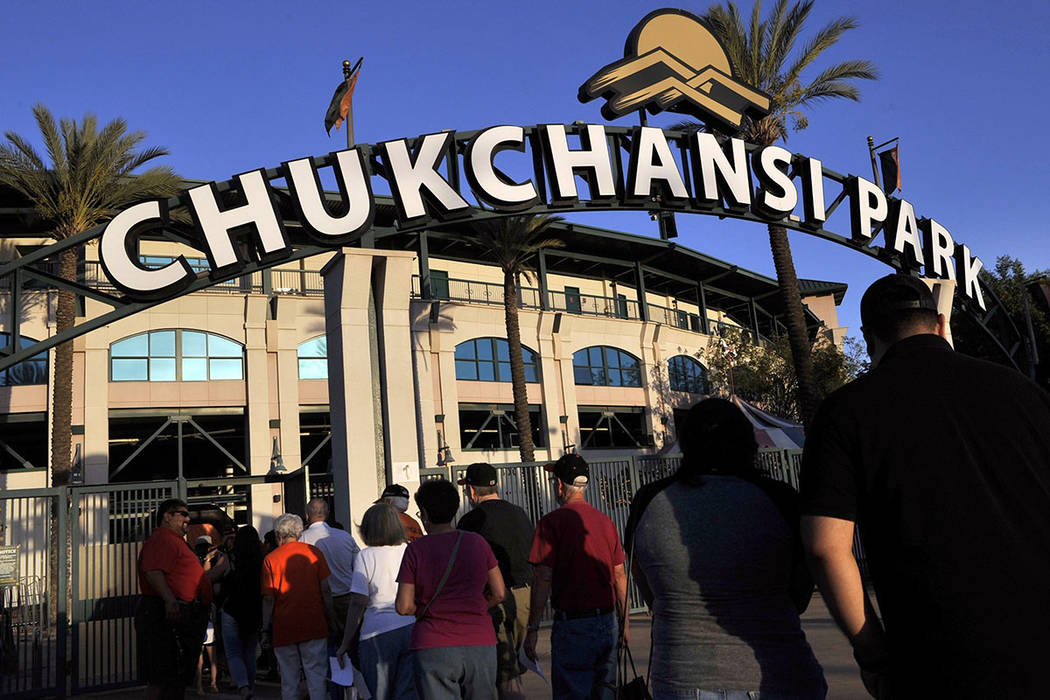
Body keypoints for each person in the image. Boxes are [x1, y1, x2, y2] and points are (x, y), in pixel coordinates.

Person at [801, 273, 1050, 698]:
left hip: (938, 659)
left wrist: (873, 654)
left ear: (869, 334)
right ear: (938, 323)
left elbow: (826, 546)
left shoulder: (844, 411)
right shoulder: (1025, 393)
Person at [625, 398, 826, 699]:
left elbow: (650, 591)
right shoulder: (781, 499)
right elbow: (798, 596)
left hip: (681, 677)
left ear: (686, 444)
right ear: (748, 443)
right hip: (778, 674)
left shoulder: (648, 501)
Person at [523, 454, 628, 700]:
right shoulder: (605, 522)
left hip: (573, 625)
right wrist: (625, 623)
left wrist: (533, 627)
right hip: (608, 620)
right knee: (606, 692)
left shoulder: (551, 523)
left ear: (560, 485)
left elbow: (543, 578)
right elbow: (620, 574)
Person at [395, 479, 505, 700]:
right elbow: (500, 592)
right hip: (480, 642)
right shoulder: (478, 543)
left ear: (425, 513)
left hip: (433, 644)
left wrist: (427, 609)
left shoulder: (415, 551)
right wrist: (475, 606)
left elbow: (404, 606)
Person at [456, 463, 534, 700]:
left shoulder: (471, 520)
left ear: (471, 491)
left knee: (505, 673)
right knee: (515, 667)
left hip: (494, 598)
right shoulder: (520, 512)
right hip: (526, 596)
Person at [136, 499, 225, 700]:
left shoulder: (175, 541)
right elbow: (153, 571)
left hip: (179, 614)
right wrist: (169, 600)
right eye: (182, 514)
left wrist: (217, 571)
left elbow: (188, 578)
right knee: (163, 676)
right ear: (167, 516)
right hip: (165, 615)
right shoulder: (163, 539)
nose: (188, 518)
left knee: (174, 676)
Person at [336, 503, 417, 700]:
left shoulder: (366, 556)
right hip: (410, 627)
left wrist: (345, 642)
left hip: (376, 633)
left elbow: (358, 602)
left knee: (379, 693)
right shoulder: (410, 550)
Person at [261, 513, 337, 700]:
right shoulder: (314, 553)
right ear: (300, 532)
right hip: (313, 622)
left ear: (279, 534)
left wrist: (264, 628)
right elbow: (326, 590)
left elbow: (268, 600)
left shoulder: (270, 560)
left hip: (284, 625)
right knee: (317, 677)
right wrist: (331, 617)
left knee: (289, 680)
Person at [299, 498, 361, 641]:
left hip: (318, 600)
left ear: (307, 516)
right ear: (327, 514)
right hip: (347, 597)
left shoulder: (302, 539)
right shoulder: (345, 536)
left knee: (323, 646)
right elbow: (358, 565)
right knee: (351, 643)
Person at [219, 525, 264, 700]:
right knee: (250, 651)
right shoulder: (262, 561)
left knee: (233, 652)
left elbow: (212, 576)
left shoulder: (230, 558)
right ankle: (250, 685)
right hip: (253, 609)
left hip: (232, 608)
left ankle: (243, 686)